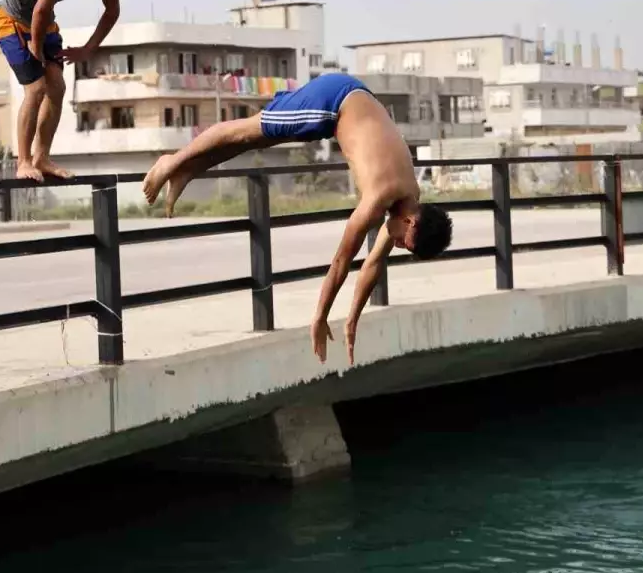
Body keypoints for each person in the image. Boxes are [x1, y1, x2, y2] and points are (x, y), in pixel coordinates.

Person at [141, 73, 453, 365]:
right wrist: (319, 317)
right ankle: (173, 161)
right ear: (412, 222)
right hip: (332, 103)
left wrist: (352, 320)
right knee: (245, 131)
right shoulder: (377, 200)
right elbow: (341, 263)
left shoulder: (410, 198)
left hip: (350, 103)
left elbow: (373, 264)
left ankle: (187, 172)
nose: (396, 244)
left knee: (254, 139)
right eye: (403, 242)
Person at [0, 0, 123, 181]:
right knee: (37, 88)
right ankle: (24, 162)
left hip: (45, 23)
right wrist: (36, 48)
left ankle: (42, 158)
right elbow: (39, 9)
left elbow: (112, 10)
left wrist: (88, 49)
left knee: (58, 87)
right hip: (13, 22)